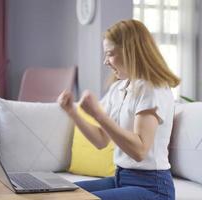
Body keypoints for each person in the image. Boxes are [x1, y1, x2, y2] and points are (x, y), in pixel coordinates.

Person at [57, 19, 180, 200]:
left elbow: (139, 150)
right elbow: (100, 140)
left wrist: (98, 115)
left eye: (110, 54)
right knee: (58, 193)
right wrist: (72, 112)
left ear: (131, 51)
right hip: (121, 178)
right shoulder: (119, 88)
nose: (106, 61)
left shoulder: (153, 88)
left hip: (153, 188)